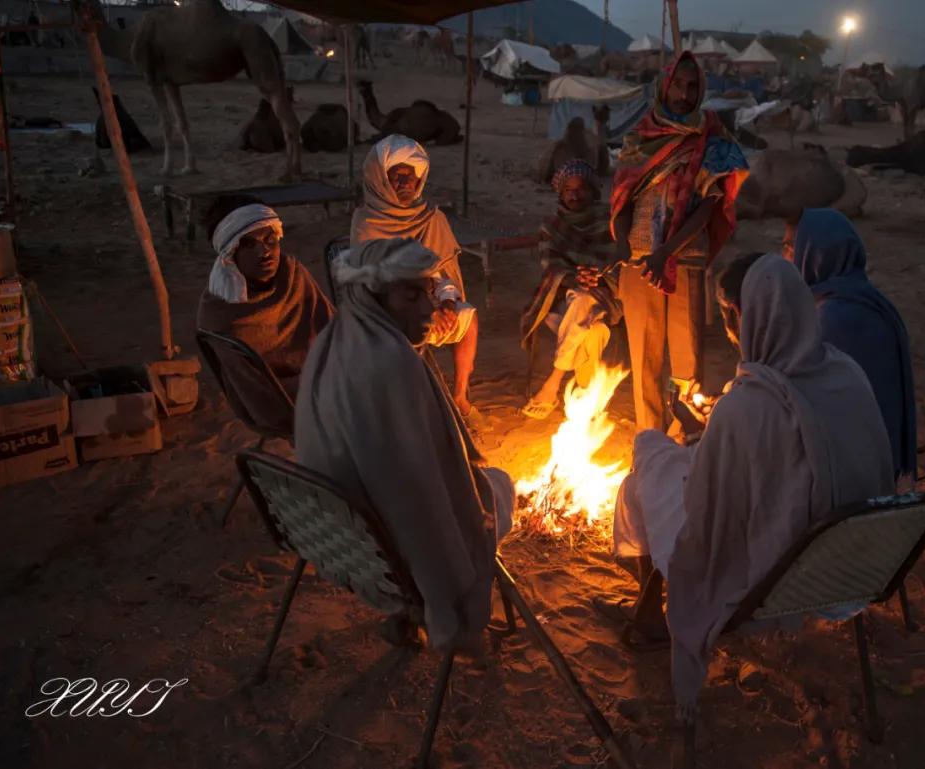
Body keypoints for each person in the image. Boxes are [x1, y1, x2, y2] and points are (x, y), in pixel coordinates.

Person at [607, 253, 894, 716]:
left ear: (747, 315)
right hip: (851, 564)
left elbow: (707, 517)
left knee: (647, 464)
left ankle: (656, 617)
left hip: (769, 579)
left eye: (727, 312)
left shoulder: (748, 407)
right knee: (668, 459)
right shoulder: (846, 373)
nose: (727, 323)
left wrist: (692, 448)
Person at [295, 237, 514, 650]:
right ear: (373, 298)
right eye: (410, 295)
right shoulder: (391, 366)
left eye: (428, 292)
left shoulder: (333, 340)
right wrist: (445, 597)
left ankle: (404, 618)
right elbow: (421, 502)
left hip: (333, 533)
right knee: (498, 486)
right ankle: (427, 614)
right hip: (384, 548)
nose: (428, 308)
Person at [611, 50, 750, 432]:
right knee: (645, 360)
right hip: (639, 258)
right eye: (678, 84)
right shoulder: (639, 136)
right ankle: (650, 446)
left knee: (687, 359)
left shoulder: (712, 138)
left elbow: (709, 206)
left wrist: (666, 253)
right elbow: (623, 198)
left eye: (693, 86)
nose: (684, 94)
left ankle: (683, 442)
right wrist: (623, 245)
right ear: (664, 85)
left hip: (685, 256)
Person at [350, 135, 482, 425]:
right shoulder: (367, 222)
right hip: (386, 313)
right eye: (397, 177)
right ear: (381, 180)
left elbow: (443, 273)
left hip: (430, 303)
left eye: (410, 177)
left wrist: (447, 303)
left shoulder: (431, 219)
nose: (405, 184)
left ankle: (459, 397)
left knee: (468, 318)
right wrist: (423, 310)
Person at [791, 208, 917, 484]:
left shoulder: (836, 317)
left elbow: (816, 403)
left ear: (816, 253)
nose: (788, 258)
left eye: (791, 248)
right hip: (885, 451)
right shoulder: (864, 297)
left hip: (859, 471)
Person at [197, 199, 333, 431]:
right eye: (250, 244)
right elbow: (253, 389)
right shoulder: (219, 309)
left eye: (270, 240)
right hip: (278, 398)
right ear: (231, 253)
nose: (264, 252)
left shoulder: (291, 274)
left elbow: (331, 326)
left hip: (322, 375)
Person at [520, 160, 622, 418]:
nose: (575, 195)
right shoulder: (552, 227)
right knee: (594, 331)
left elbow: (620, 260)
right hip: (561, 301)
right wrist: (574, 277)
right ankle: (587, 404)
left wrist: (596, 273)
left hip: (604, 296)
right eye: (568, 190)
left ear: (592, 191)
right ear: (561, 193)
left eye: (580, 189)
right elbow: (550, 266)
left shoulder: (610, 221)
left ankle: (553, 381)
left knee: (585, 299)